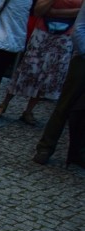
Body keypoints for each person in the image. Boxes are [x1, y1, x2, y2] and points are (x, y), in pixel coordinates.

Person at [0, 0, 83, 125]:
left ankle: (28, 110)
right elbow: (39, 10)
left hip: (65, 35)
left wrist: (54, 12)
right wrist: (72, 12)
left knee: (49, 74)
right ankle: (4, 103)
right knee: (28, 68)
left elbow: (81, 14)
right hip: (43, 31)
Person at [33, 2, 85, 165]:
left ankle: (78, 152)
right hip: (83, 59)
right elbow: (79, 29)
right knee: (65, 104)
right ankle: (45, 147)